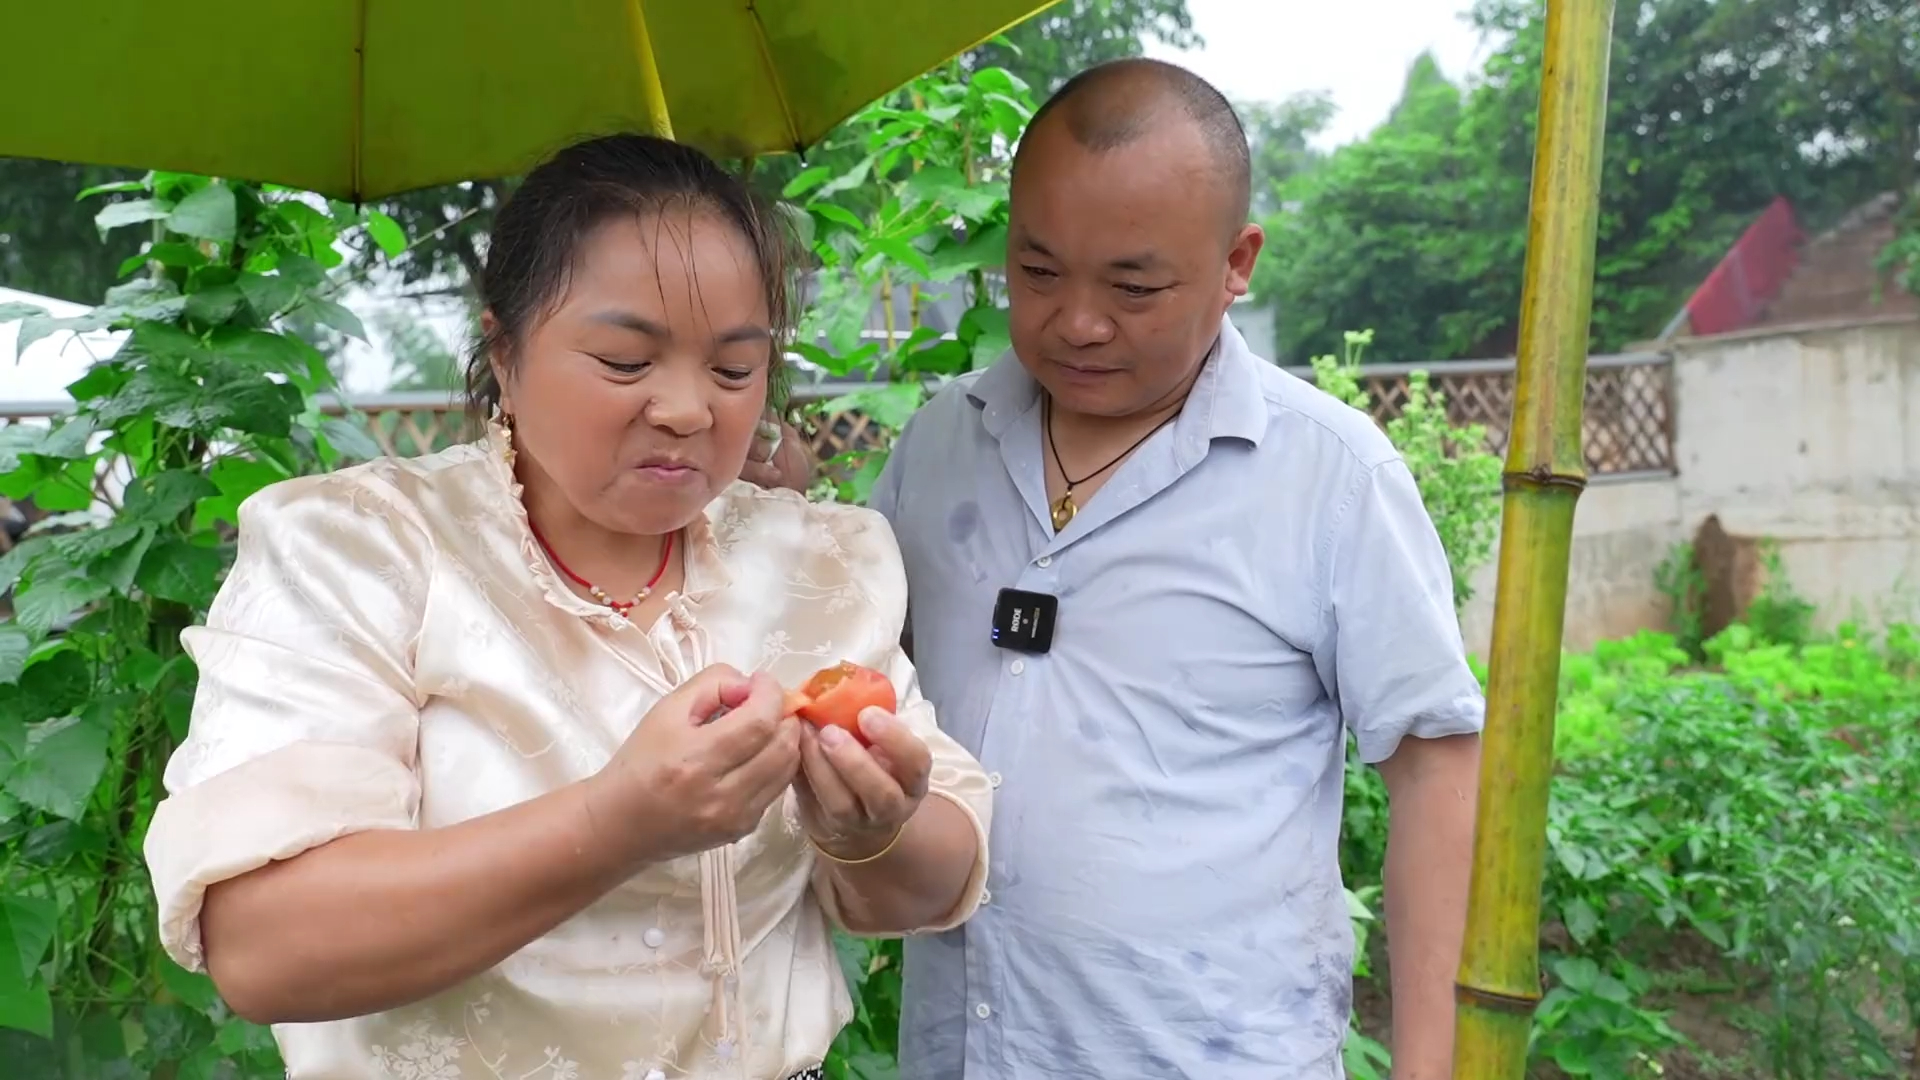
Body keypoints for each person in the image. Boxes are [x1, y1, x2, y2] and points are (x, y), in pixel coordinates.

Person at [142, 133, 993, 1080]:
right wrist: (616, 823)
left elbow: (937, 876)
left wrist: (869, 832)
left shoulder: (824, 561)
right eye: (627, 362)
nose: (686, 409)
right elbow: (265, 948)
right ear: (503, 352)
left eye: (734, 369)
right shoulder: (359, 551)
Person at [761, 58, 1485, 1078]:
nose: (1077, 321)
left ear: (1238, 262)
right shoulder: (944, 443)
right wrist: (770, 512)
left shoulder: (1329, 476)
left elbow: (1436, 764)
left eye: (1133, 286)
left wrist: (1428, 1067)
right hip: (964, 1051)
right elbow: (854, 646)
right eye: (1039, 271)